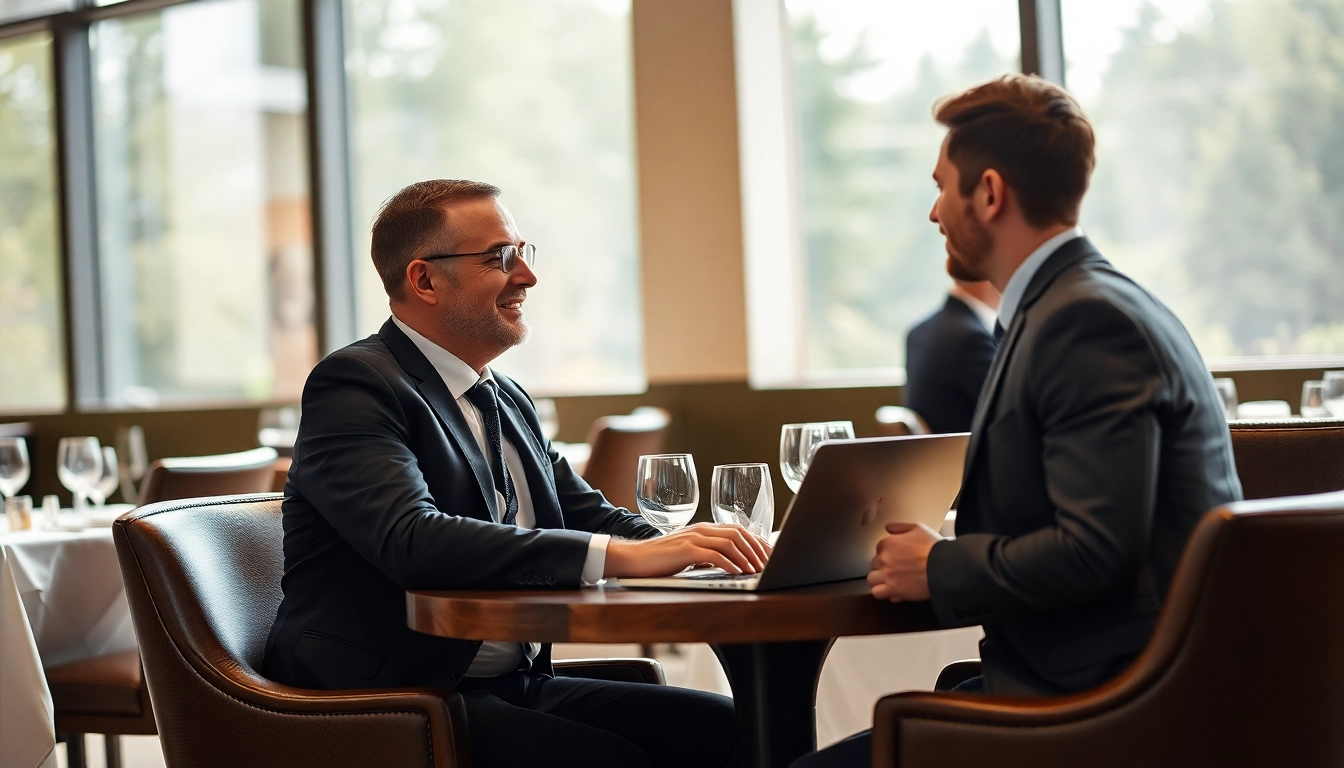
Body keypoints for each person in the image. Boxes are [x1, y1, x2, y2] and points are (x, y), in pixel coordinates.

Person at [792, 74, 1242, 767]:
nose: (935, 213)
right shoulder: (1074, 305)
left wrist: (940, 567)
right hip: (1098, 682)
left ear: (991, 193)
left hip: (1111, 709)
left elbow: (1096, 550)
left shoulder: (1083, 323)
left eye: (941, 186)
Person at [263, 179, 768, 768]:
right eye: (501, 259)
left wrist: (688, 548)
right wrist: (624, 558)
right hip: (392, 701)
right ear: (424, 279)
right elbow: (413, 539)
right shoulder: (355, 384)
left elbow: (582, 511)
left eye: (524, 254)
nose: (526, 277)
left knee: (732, 731)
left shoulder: (501, 394)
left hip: (509, 686)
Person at [903, 278, 1001, 433]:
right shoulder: (971, 338)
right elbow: (1006, 408)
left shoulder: (919, 331)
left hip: (932, 449)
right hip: (960, 449)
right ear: (986, 280)